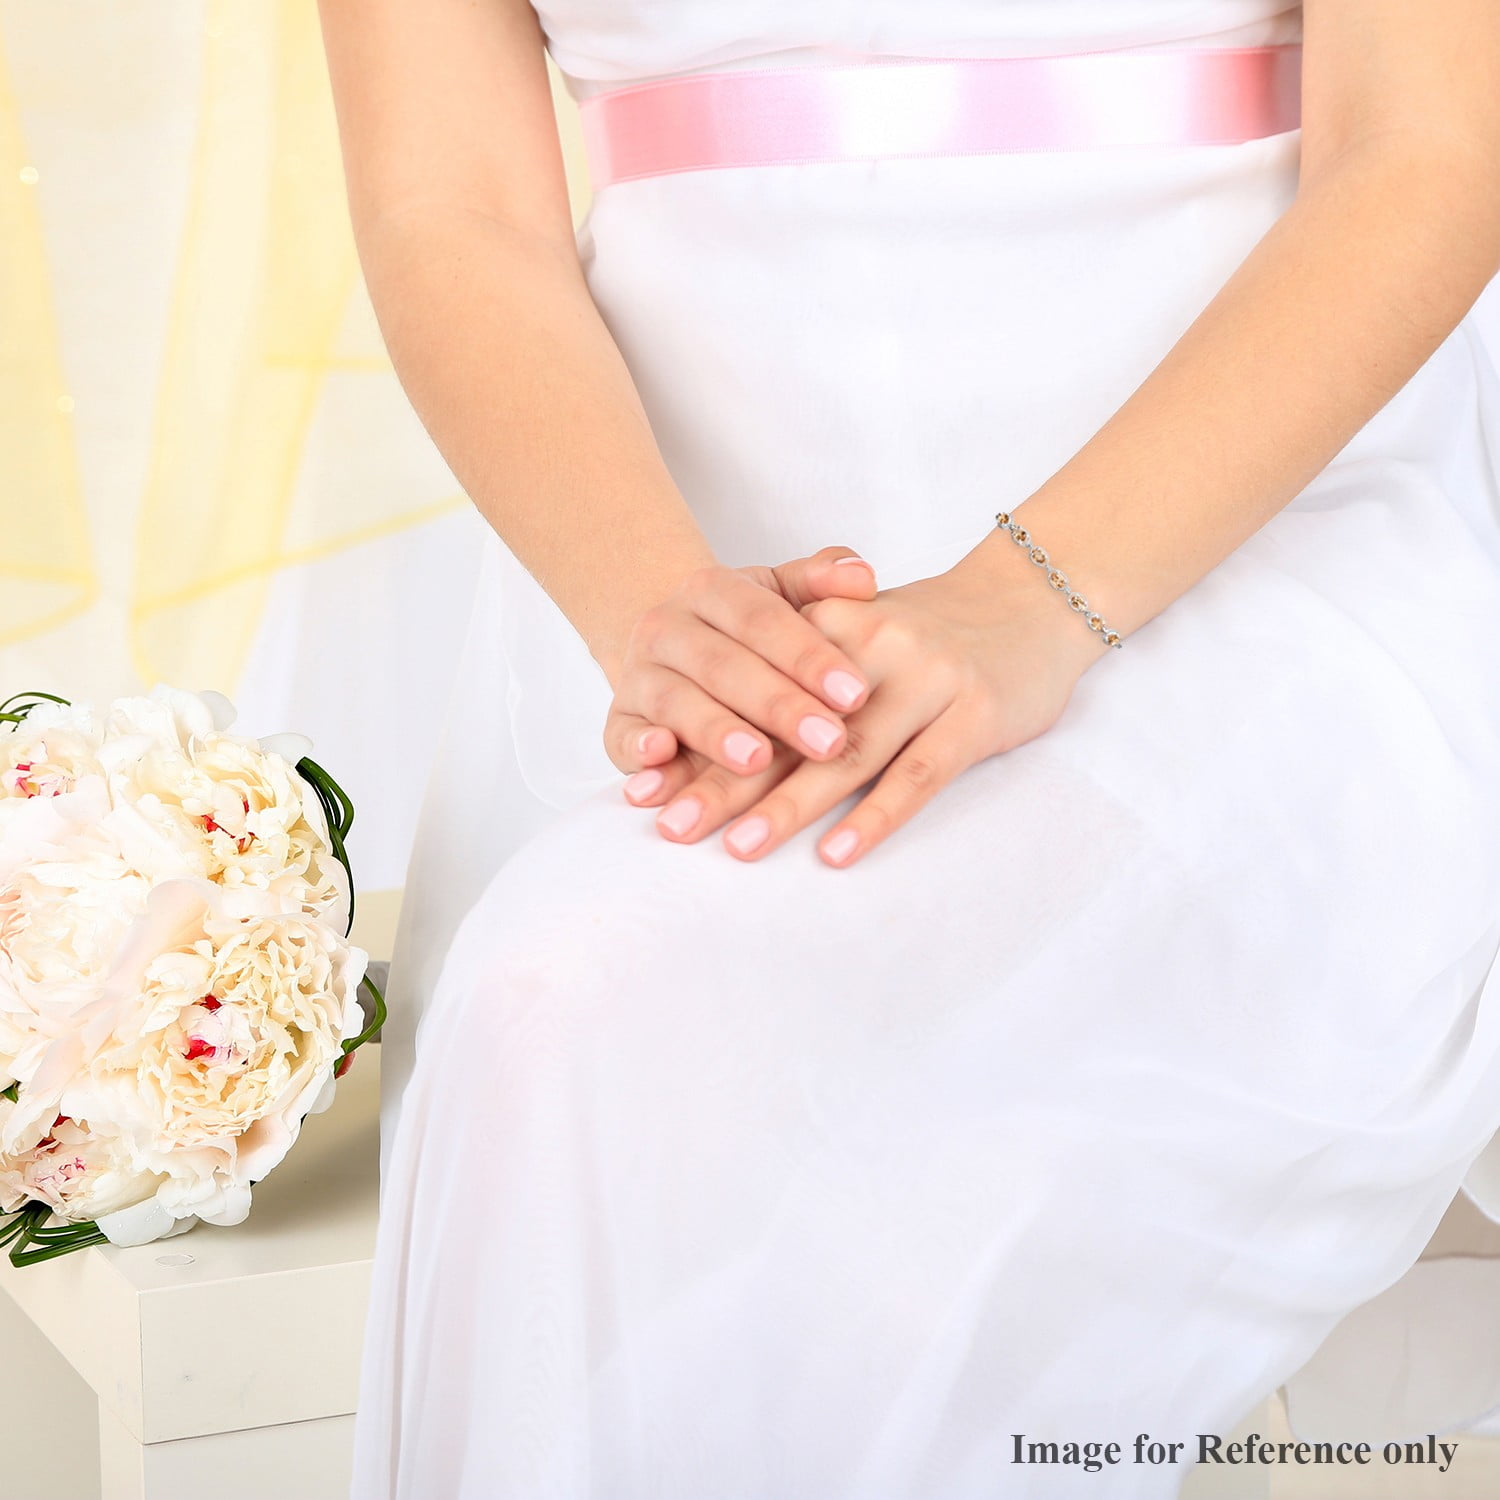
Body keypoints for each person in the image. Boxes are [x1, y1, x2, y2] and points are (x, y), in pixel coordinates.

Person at [315, 0, 1500, 1494]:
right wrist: (664, 620)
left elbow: (1428, 149)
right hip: (673, 578)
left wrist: (1037, 600)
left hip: (1238, 556)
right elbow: (451, 205)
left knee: (612, 1028)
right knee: (551, 1011)